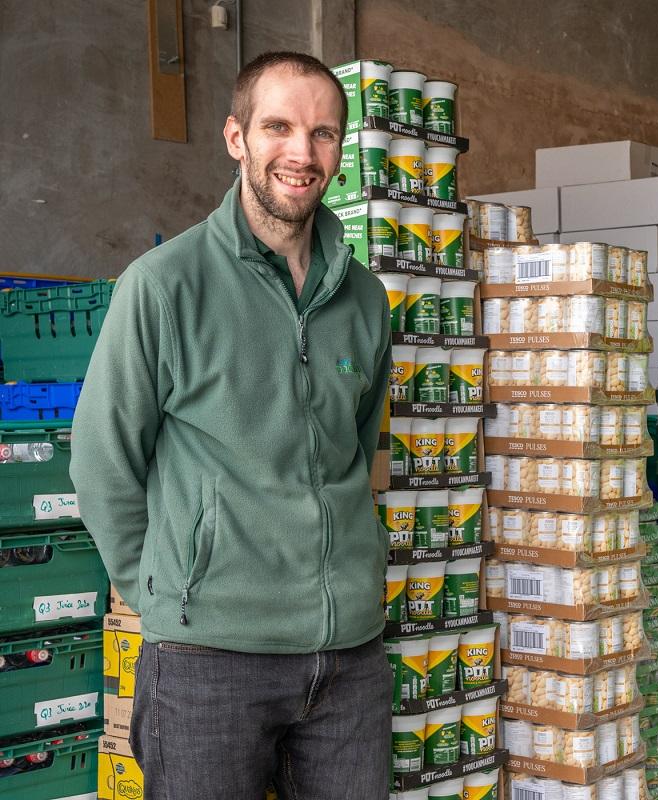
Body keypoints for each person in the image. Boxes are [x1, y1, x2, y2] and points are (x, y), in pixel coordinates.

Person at [71, 51, 393, 799]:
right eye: (278, 126)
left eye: (323, 134)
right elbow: (100, 464)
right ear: (235, 138)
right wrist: (169, 594)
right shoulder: (163, 287)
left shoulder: (366, 300)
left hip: (349, 660)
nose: (301, 153)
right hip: (209, 661)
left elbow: (359, 448)